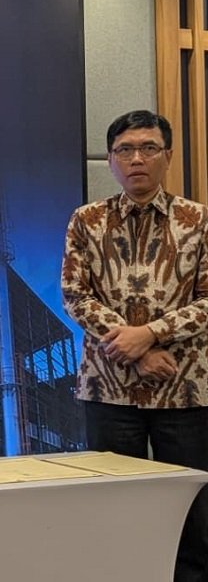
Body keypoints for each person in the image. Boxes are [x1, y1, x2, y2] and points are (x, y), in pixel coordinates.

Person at [61, 110, 208, 582]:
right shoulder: (87, 220)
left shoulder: (198, 220)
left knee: (191, 510)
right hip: (108, 388)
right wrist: (136, 348)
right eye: (125, 150)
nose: (136, 159)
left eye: (148, 148)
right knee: (112, 503)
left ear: (168, 156)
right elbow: (75, 295)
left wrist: (152, 333)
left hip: (183, 389)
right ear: (111, 160)